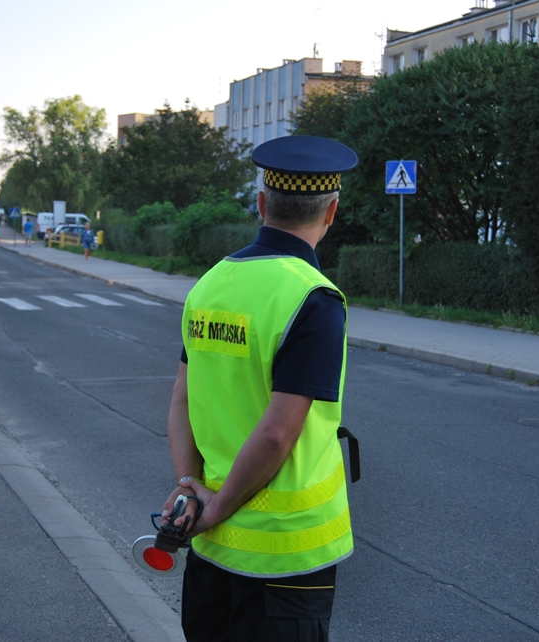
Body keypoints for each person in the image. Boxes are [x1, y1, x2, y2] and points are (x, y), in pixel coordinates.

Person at [161, 135, 358, 642]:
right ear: (331, 212)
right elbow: (277, 434)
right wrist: (218, 507)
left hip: (210, 551)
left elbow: (182, 401)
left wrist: (191, 495)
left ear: (262, 203)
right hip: (286, 560)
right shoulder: (313, 298)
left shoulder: (210, 284)